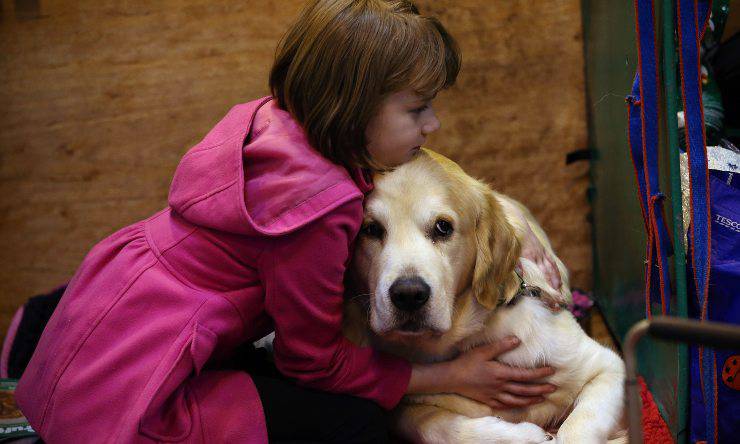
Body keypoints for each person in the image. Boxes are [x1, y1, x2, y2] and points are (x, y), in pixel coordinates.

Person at [16, 1, 562, 442]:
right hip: (135, 411)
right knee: (356, 423)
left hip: (89, 345)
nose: (433, 123)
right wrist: (447, 376)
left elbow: (437, 189)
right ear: (355, 110)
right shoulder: (320, 210)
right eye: (417, 109)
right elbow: (314, 365)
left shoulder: (270, 119)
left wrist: (507, 215)